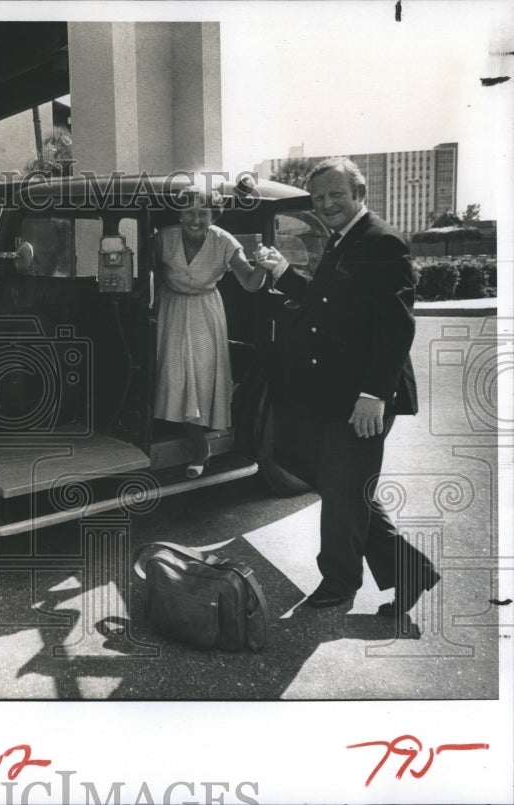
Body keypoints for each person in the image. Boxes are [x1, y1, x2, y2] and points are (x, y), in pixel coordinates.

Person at [257, 156, 439, 626]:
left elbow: (397, 327)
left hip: (363, 397)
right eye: (318, 198)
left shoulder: (381, 242)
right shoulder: (344, 240)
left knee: (343, 490)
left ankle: (339, 582)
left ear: (359, 193)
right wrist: (281, 272)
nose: (327, 204)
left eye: (336, 194)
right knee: (340, 485)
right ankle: (410, 570)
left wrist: (374, 395)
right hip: (335, 393)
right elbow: (326, 305)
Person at [153, 186, 269, 478]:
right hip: (172, 308)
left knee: (202, 378)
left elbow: (251, 284)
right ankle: (188, 437)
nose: (195, 219)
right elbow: (146, 272)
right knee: (174, 375)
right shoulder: (163, 237)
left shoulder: (224, 242)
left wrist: (264, 266)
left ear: (213, 215)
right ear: (179, 213)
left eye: (203, 213)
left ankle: (200, 446)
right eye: (189, 212)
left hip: (205, 311)